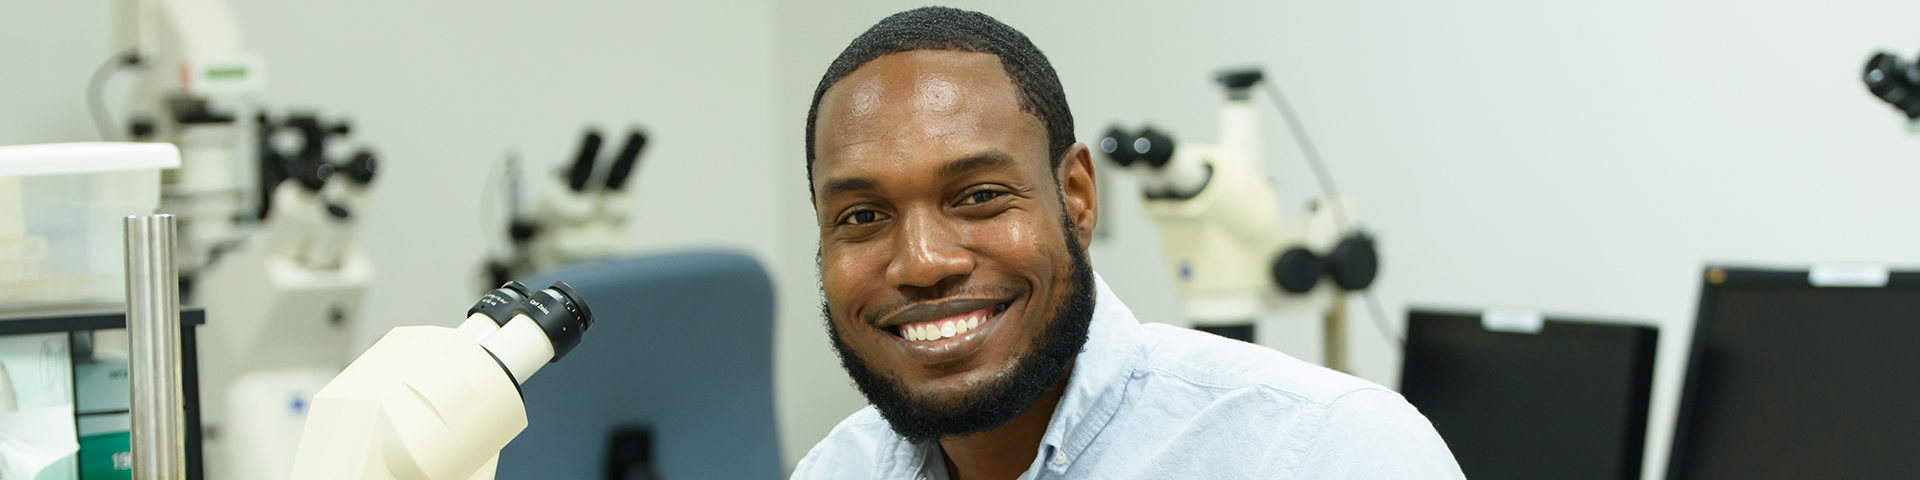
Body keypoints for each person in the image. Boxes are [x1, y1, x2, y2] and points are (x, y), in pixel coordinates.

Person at [794, 7, 1464, 480]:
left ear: (1078, 198)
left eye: (978, 197)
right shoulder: (838, 469)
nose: (921, 262)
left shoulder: (1324, 453)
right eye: (861, 216)